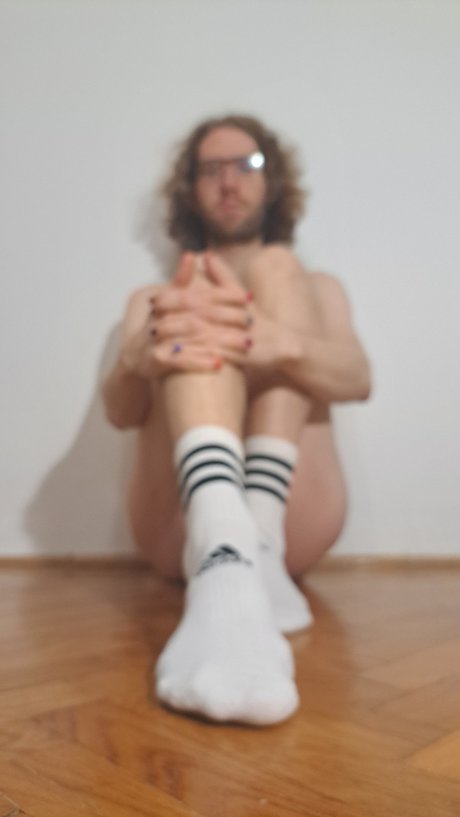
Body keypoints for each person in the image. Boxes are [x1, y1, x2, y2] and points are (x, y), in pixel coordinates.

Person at [102, 114, 371, 726]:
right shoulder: (156, 298)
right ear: (190, 188)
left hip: (296, 523)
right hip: (178, 530)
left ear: (271, 180)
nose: (229, 182)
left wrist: (283, 343)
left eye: (246, 165)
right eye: (211, 169)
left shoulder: (319, 289)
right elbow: (120, 412)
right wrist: (135, 361)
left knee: (279, 268)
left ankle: (258, 541)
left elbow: (359, 379)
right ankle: (224, 539)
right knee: (190, 291)